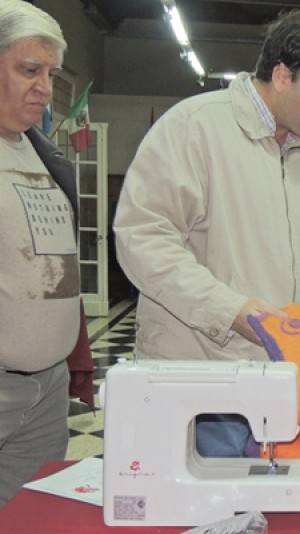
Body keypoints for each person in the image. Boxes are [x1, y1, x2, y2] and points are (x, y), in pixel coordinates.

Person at [114, 10, 300, 457]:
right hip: (202, 387)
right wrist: (232, 311)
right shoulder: (194, 128)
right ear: (282, 75)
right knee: (208, 502)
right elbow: (142, 240)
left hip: (285, 386)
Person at [0, 0, 82, 507]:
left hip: (48, 387)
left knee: (29, 517)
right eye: (30, 70)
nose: (45, 88)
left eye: (50, 74)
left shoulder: (43, 151)